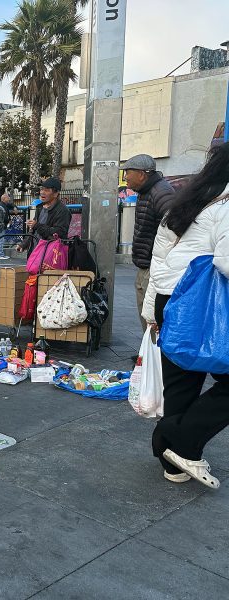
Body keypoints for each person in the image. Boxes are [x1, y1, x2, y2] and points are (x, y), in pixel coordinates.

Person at [142, 142, 229, 489]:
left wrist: (152, 309)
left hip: (170, 299)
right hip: (200, 304)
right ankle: (180, 440)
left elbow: (158, 259)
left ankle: (172, 460)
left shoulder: (186, 202)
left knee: (181, 383)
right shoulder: (226, 204)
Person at [123, 153, 176, 332]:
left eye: (127, 172)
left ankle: (152, 356)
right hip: (145, 264)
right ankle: (146, 353)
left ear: (141, 174)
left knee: (152, 314)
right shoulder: (145, 191)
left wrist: (159, 260)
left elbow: (174, 227)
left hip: (155, 265)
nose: (125, 178)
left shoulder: (161, 192)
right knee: (145, 311)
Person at [18, 177, 71, 251]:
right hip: (35, 252)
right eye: (42, 189)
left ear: (56, 194)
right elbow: (32, 231)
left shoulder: (63, 210)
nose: (42, 192)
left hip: (50, 253)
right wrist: (23, 244)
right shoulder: (39, 207)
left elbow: (59, 233)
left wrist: (36, 225)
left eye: (46, 190)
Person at [0, 193, 16, 259]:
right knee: (0, 240)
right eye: (8, 198)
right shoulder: (3, 207)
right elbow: (3, 217)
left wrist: (14, 207)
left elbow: (11, 204)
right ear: (4, 199)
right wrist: (9, 221)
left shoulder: (1, 205)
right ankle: (0, 255)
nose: (9, 199)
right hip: (1, 226)